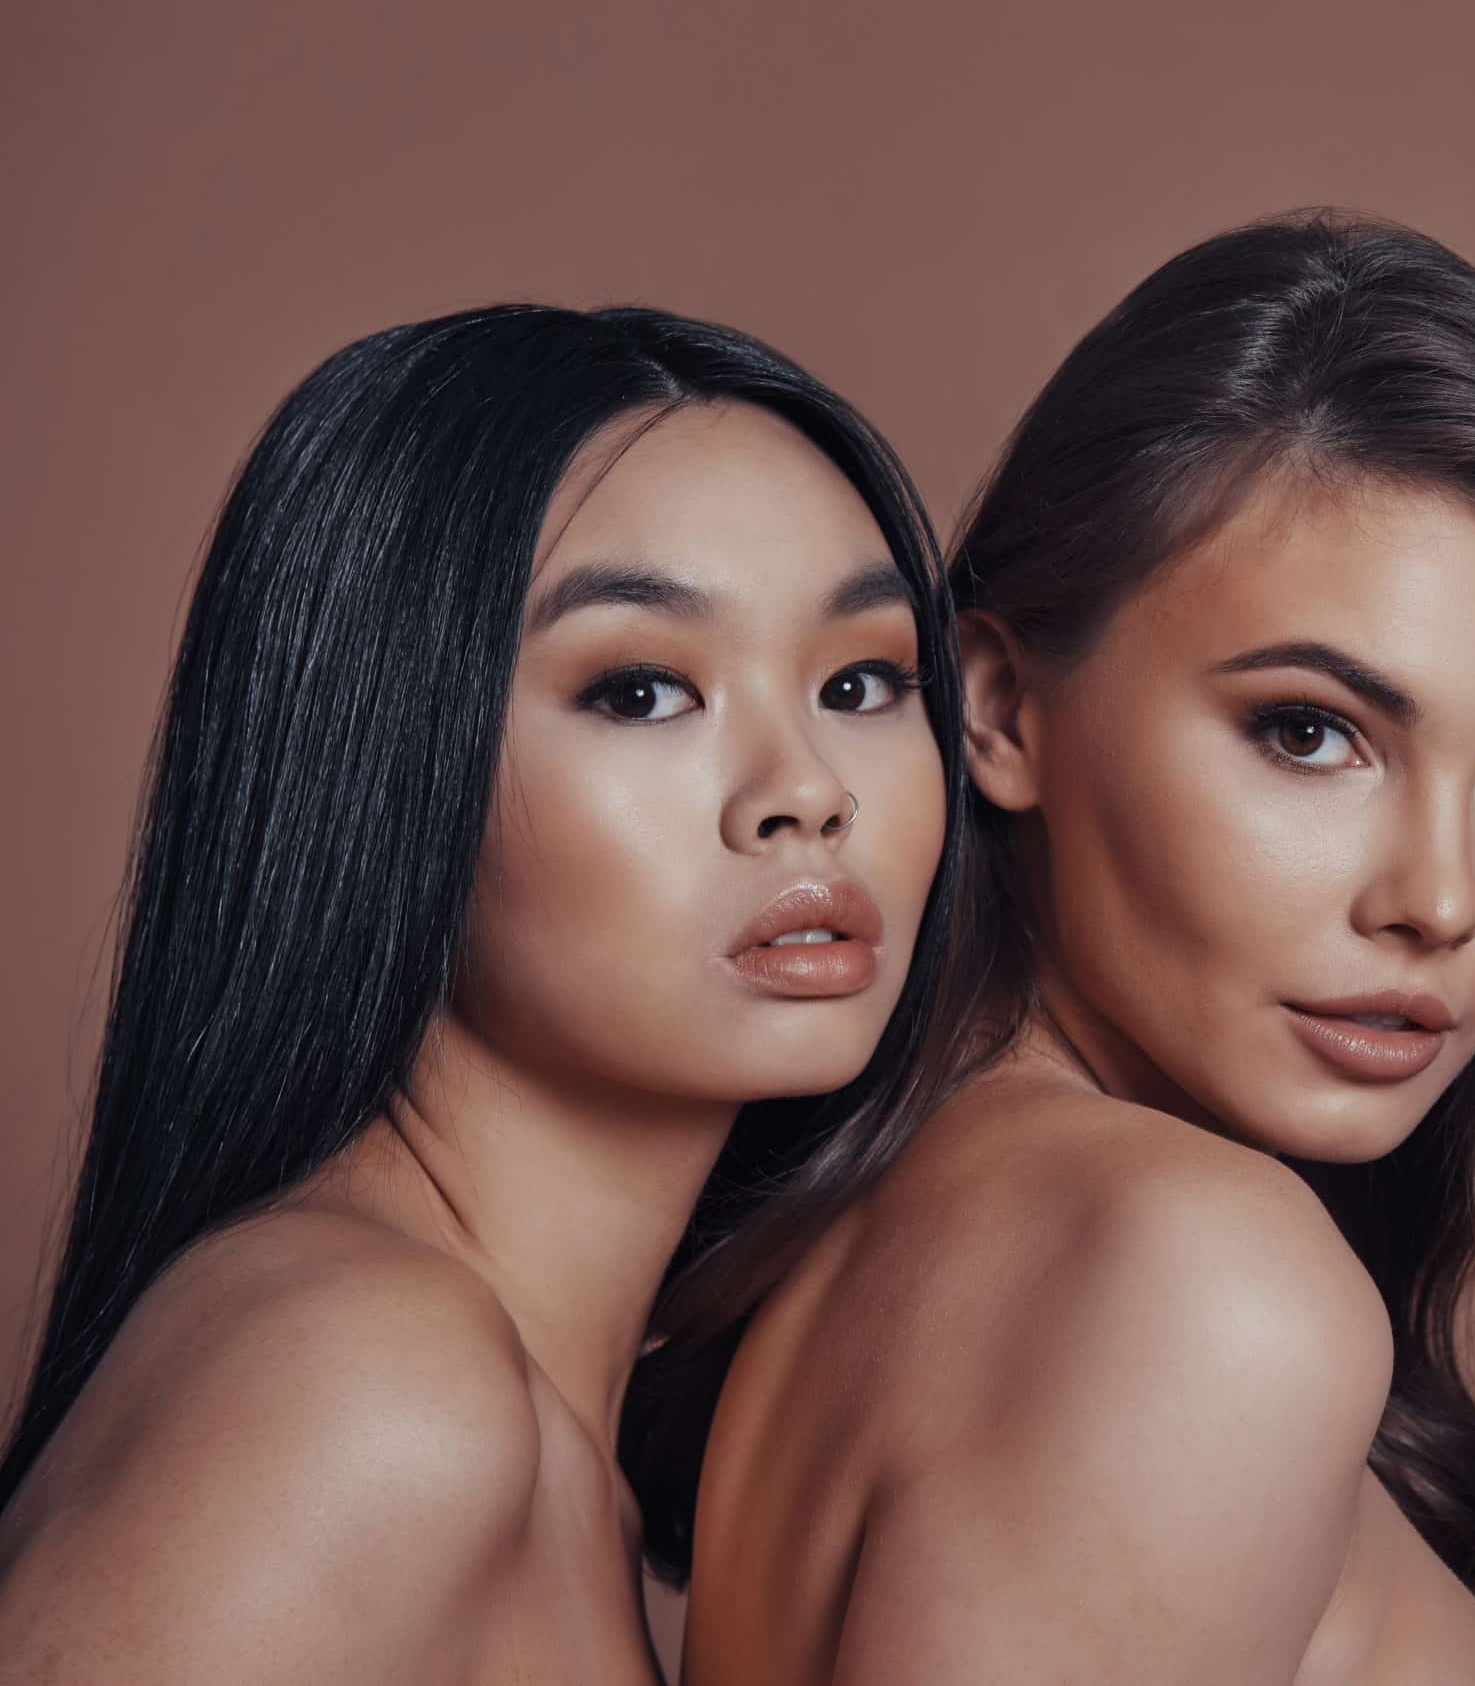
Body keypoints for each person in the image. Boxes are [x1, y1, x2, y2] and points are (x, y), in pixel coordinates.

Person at [622, 213, 1475, 1686]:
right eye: (1312, 733)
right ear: (1002, 709)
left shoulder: (930, 1231)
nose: (1440, 899)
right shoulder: (1192, 1279)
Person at [0, 306, 965, 1682]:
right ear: (385, 760)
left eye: (862, 678)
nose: (807, 790)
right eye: (640, 690)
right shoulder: (366, 1384)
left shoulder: (546, 1434)